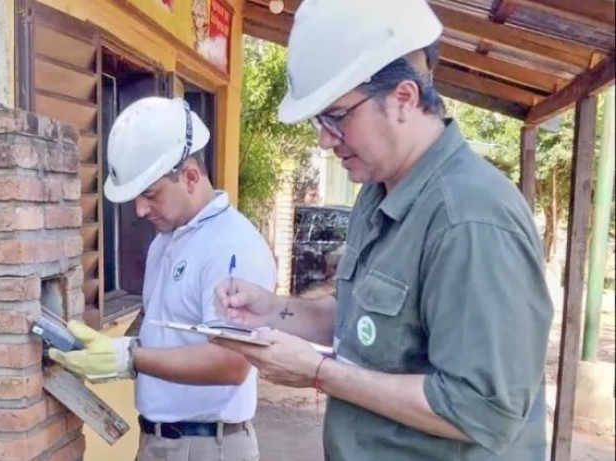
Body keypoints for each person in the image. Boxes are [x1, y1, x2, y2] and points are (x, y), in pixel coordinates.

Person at [212, 1, 554, 460]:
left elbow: (482, 409)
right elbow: (366, 322)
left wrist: (317, 372)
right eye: (320, 121)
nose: (324, 139)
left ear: (404, 99)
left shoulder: (471, 218)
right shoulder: (379, 193)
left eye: (336, 115)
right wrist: (272, 311)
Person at [48, 96, 276, 461]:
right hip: (158, 440)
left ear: (189, 176)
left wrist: (129, 358)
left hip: (207, 446)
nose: (139, 210)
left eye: (150, 195)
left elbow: (233, 363)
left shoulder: (232, 247)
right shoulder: (167, 240)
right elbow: (162, 325)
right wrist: (101, 349)